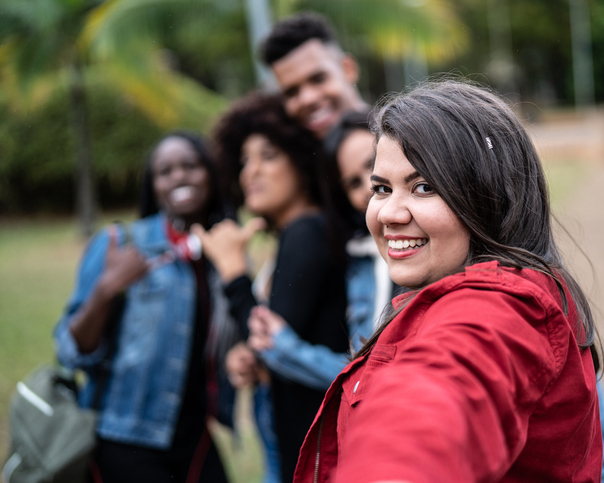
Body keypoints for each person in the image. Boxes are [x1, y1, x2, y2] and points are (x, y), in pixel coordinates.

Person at [293, 80, 604, 482]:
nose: (389, 213)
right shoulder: (511, 289)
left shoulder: (501, 307)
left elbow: (433, 410)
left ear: (490, 196)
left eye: (423, 187)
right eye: (381, 188)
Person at [54, 132, 237, 483]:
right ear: (154, 187)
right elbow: (69, 350)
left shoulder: (222, 251)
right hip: (125, 435)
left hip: (194, 434)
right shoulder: (119, 243)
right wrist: (107, 288)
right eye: (165, 171)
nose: (179, 176)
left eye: (190, 165)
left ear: (210, 175)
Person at [192, 92, 350, 483]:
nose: (251, 172)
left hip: (306, 446)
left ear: (301, 161)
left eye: (268, 156)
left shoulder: (306, 231)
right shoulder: (299, 233)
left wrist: (232, 271)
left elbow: (266, 333)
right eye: (244, 161)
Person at [246, 111, 394, 389]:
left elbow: (371, 378)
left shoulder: (416, 253)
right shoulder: (360, 258)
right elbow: (364, 372)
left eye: (372, 164)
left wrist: (283, 349)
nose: (368, 185)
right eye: (352, 182)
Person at [260, 11, 368, 140]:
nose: (307, 99)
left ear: (348, 69)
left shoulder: (394, 140)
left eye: (318, 79)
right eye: (291, 92)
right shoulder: (299, 156)